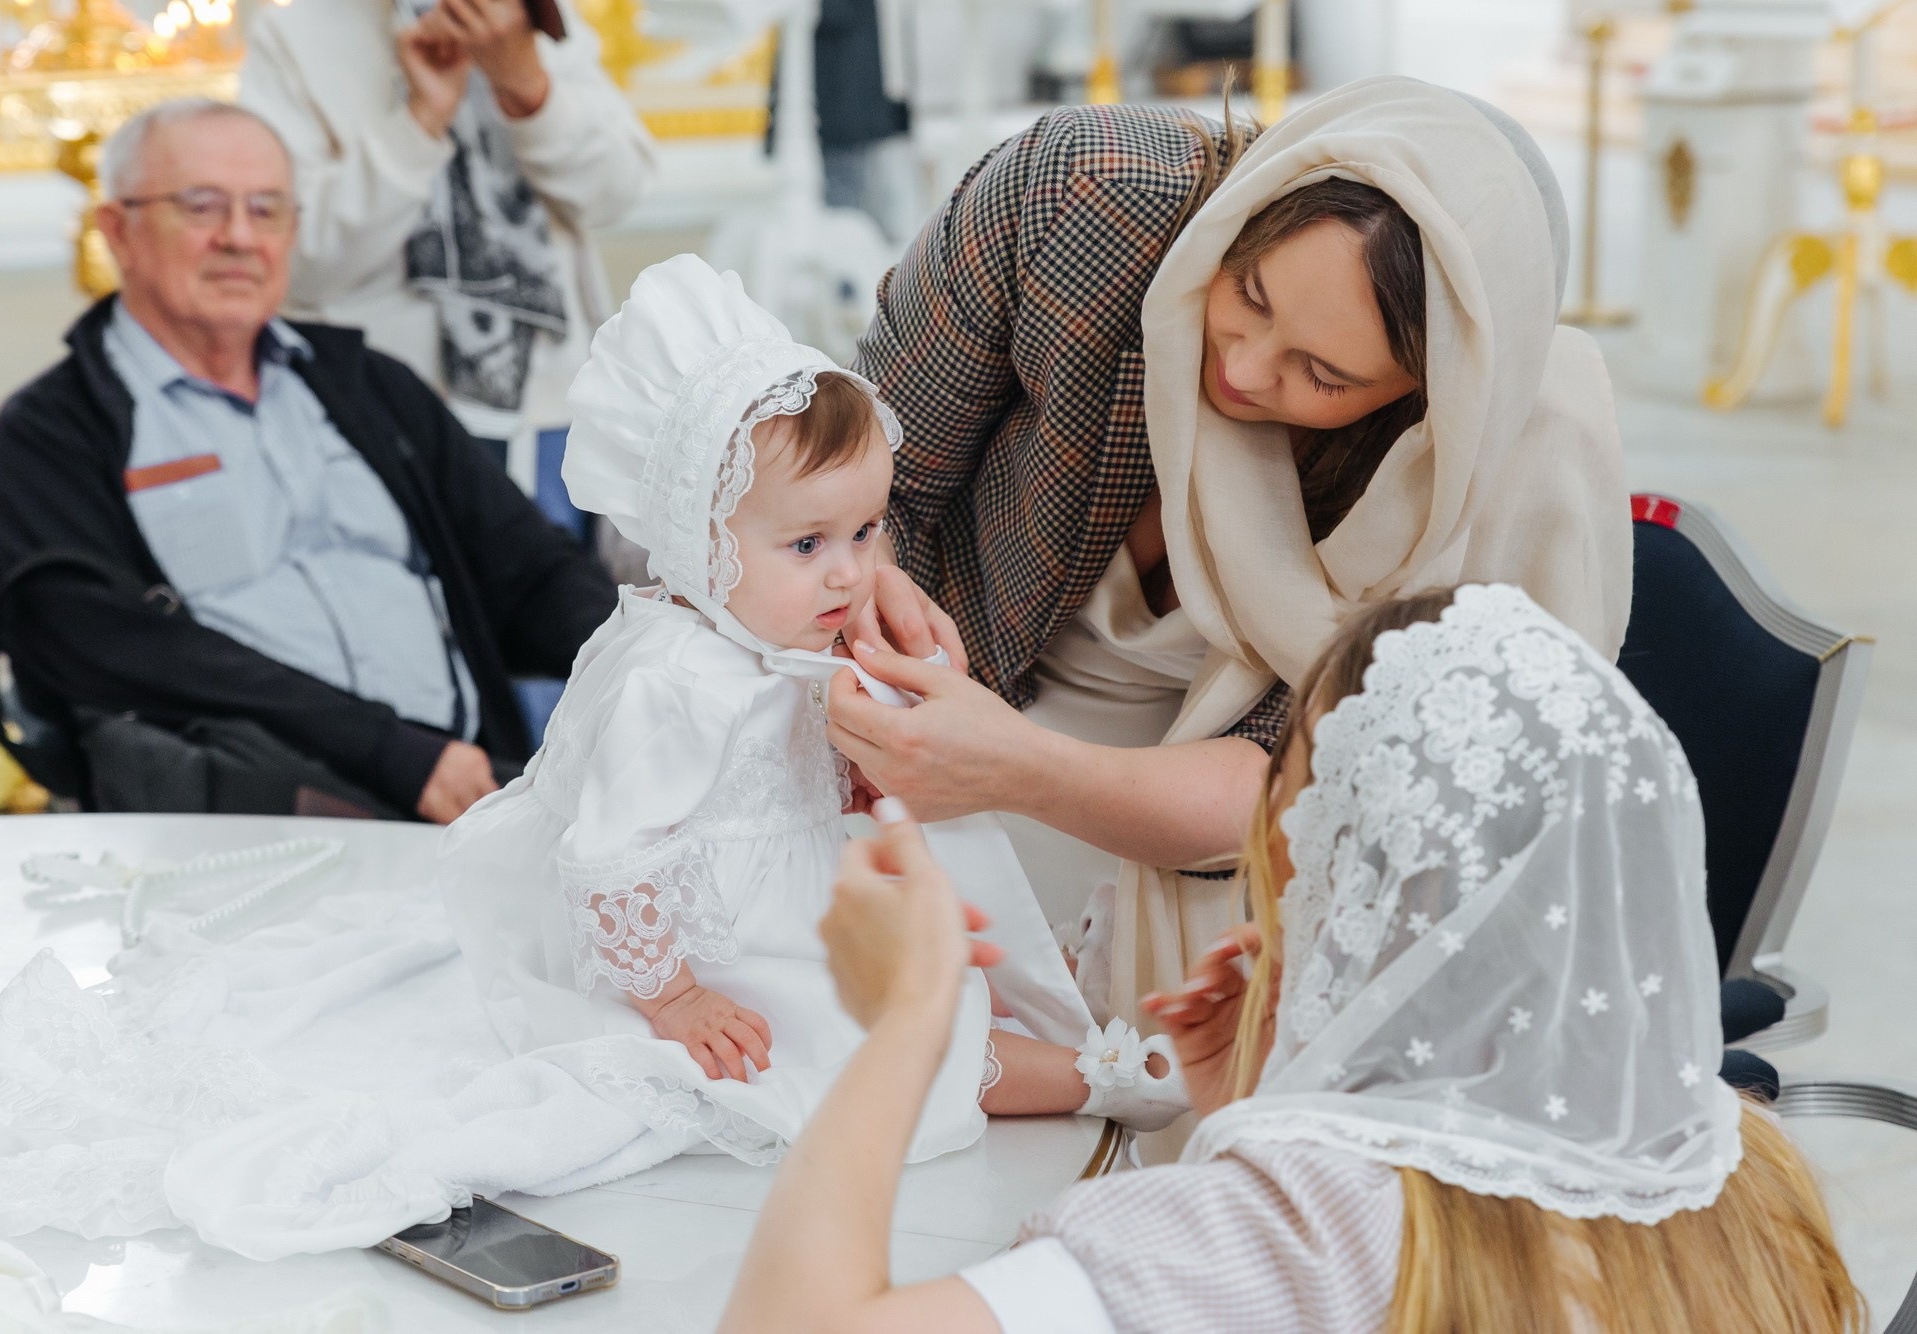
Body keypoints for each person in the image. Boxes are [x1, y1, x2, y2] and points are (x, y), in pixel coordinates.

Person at [719, 584, 1864, 1333]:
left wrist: (911, 1016)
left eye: (1293, 785)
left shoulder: (1278, 1237)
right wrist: (1267, 1105)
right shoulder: (1741, 1173)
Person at [827, 77, 1632, 1023]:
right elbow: (877, 472)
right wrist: (874, 605)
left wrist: (1012, 768)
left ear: (1419, 398)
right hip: (911, 748)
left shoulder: (1444, 484)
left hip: (1206, 853)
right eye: (1249, 292)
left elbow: (1292, 788)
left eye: (1324, 375)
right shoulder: (1083, 202)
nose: (1246, 369)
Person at [439, 255, 1186, 1166]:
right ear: (702, 538)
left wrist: (860, 779)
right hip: (721, 952)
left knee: (936, 986)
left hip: (810, 905)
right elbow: (603, 857)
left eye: (867, 531)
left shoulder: (782, 624)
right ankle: (1096, 1076)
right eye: (808, 542)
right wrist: (673, 997)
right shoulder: (676, 682)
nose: (849, 571)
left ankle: (1081, 1048)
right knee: (880, 1045)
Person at [0, 99, 618, 823]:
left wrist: (642, 671)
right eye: (201, 207)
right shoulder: (53, 431)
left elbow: (530, 573)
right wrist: (387, 751)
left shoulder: (370, 387)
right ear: (118, 231)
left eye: (268, 210)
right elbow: (92, 645)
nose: (239, 238)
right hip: (240, 817)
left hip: (460, 792)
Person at [236, 0, 655, 500]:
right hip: (389, 419)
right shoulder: (295, 35)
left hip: (558, 408)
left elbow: (617, 192)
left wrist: (528, 87)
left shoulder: (531, 17)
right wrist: (419, 122)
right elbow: (292, 258)